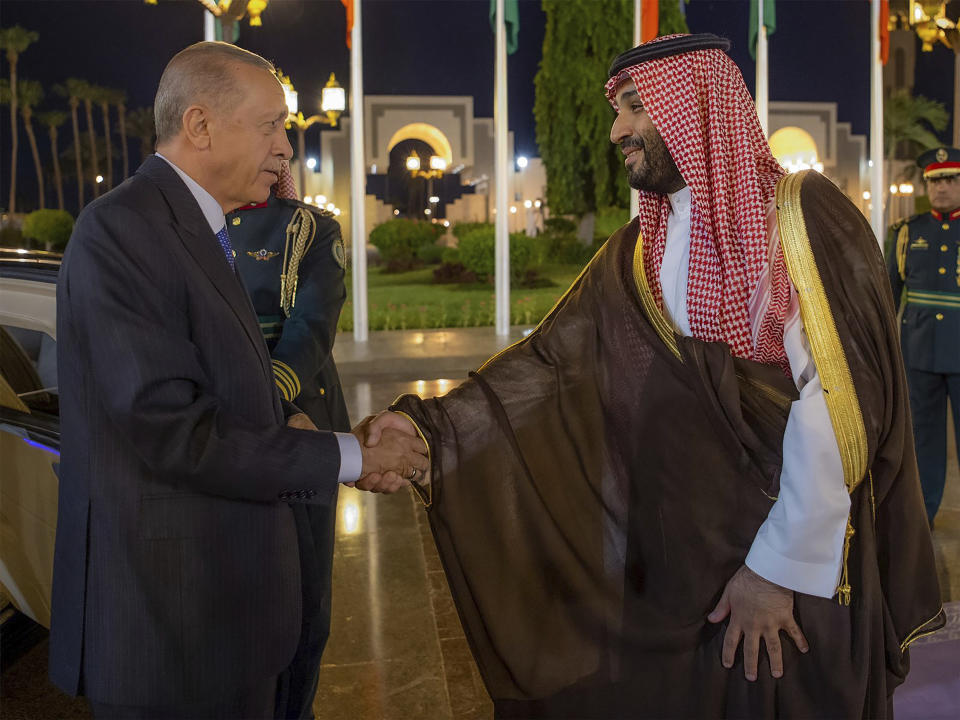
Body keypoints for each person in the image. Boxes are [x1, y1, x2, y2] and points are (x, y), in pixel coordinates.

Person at [361, 34, 943, 718]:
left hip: (784, 565)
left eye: (636, 107)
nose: (616, 130)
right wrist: (426, 432)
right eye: (617, 110)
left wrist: (774, 569)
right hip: (669, 554)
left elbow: (840, 404)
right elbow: (549, 365)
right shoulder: (635, 250)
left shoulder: (800, 215)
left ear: (695, 105)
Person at [49, 41, 425, 719]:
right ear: (200, 126)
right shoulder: (124, 232)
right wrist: (350, 456)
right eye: (270, 125)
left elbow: (224, 390)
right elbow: (174, 430)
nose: (285, 146)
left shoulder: (194, 228)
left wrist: (319, 434)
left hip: (221, 624)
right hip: (171, 632)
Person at [226, 170, 350, 720]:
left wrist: (266, 397)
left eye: (284, 132)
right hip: (221, 425)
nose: (282, 147)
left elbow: (311, 327)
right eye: (269, 129)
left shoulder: (311, 228)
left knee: (303, 600)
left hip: (298, 417)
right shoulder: (192, 226)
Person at [888, 146, 960, 529]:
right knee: (924, 443)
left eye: (950, 180)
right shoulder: (906, 234)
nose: (942, 189)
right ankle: (924, 515)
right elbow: (888, 296)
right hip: (919, 356)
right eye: (935, 181)